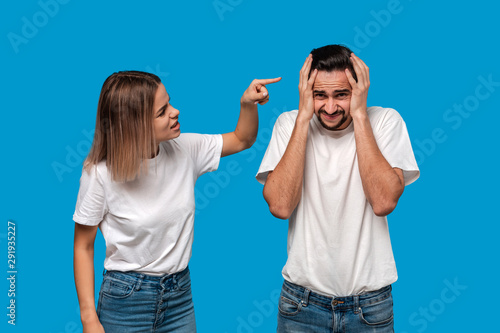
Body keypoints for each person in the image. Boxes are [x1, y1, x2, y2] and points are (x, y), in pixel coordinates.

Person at [73, 70, 280, 333]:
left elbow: (242, 139)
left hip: (179, 297)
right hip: (126, 302)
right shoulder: (100, 175)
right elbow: (83, 246)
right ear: (134, 125)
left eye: (169, 102)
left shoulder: (185, 149)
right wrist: (89, 319)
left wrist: (247, 104)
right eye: (162, 112)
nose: (175, 111)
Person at [256, 44, 420, 332]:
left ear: (359, 89)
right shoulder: (289, 125)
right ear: (307, 92)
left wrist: (359, 115)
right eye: (320, 95)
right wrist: (303, 117)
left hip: (370, 308)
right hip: (301, 305)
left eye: (341, 95)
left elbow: (383, 202)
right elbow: (280, 206)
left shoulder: (385, 122)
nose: (330, 108)